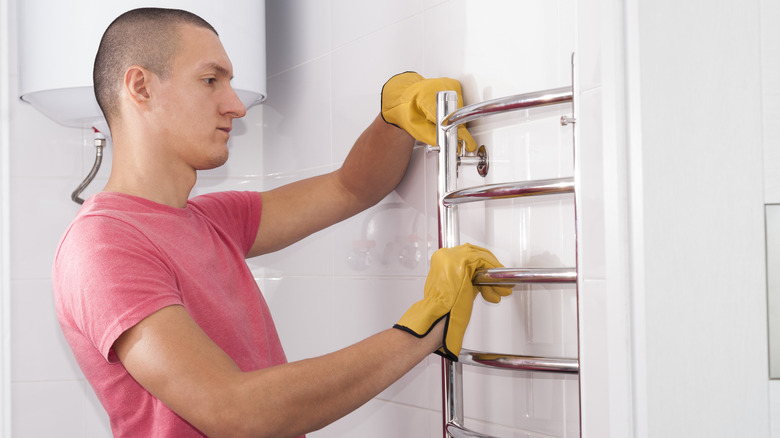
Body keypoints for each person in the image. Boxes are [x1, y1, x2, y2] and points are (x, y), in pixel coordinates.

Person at [52, 7, 511, 438]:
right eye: (211, 80)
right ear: (141, 88)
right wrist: (423, 331)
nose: (236, 105)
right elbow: (232, 410)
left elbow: (351, 188)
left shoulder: (211, 220)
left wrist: (395, 117)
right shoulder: (104, 245)